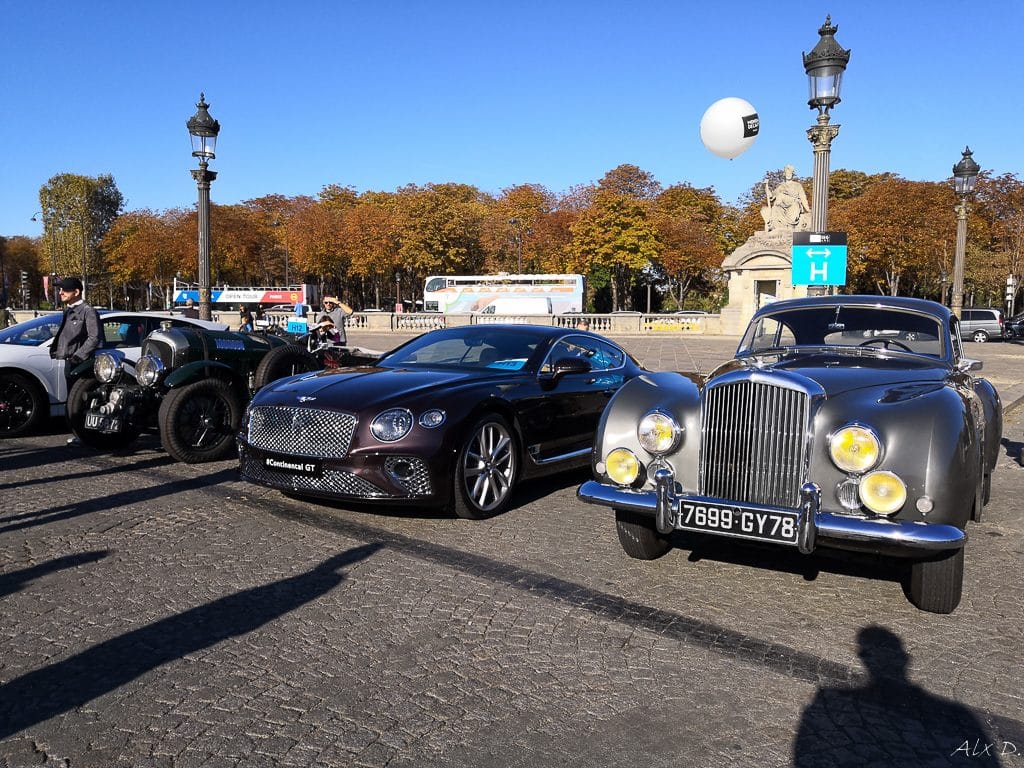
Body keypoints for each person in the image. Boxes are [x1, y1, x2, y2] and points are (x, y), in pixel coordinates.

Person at [50, 277, 101, 444]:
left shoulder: (87, 310)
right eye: (60, 289)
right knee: (72, 400)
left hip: (80, 363)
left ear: (76, 292)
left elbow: (94, 338)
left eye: (64, 289)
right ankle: (79, 434)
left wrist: (78, 356)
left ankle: (84, 435)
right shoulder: (69, 310)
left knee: (79, 401)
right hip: (69, 361)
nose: (60, 292)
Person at [761, 165, 811, 232]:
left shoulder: (797, 185)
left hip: (793, 203)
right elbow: (772, 197)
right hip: (781, 204)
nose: (788, 175)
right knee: (775, 208)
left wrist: (807, 209)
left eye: (790, 173)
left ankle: (790, 226)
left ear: (792, 174)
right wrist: (766, 188)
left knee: (795, 206)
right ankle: (775, 227)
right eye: (787, 173)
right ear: (784, 174)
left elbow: (803, 197)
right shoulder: (781, 186)